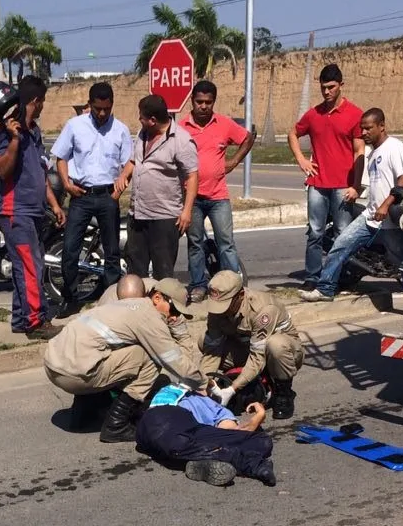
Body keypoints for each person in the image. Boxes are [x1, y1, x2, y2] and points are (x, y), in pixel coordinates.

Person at [299, 108, 403, 321]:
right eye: (362, 128)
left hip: (389, 219)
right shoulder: (373, 152)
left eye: (369, 128)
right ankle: (325, 289)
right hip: (370, 216)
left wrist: (386, 205)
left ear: (382, 126)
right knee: (340, 245)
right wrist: (357, 192)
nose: (364, 132)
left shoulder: (394, 148)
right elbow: (378, 183)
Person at [43, 280, 205, 443]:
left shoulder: (122, 305)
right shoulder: (148, 316)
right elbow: (174, 360)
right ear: (157, 297)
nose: (175, 317)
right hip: (76, 374)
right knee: (148, 356)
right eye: (175, 310)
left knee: (113, 353)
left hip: (54, 366)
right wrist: (204, 384)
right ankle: (116, 425)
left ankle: (85, 409)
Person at [0, 76, 66, 340]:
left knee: (25, 267)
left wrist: (55, 205)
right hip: (16, 212)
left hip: (34, 212)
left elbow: (40, 174)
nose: (44, 106)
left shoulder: (34, 132)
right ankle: (35, 323)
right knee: (30, 268)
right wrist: (13, 140)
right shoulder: (6, 132)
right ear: (36, 100)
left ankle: (21, 318)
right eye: (43, 101)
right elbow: (2, 170)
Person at [52, 81, 132, 317]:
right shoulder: (74, 126)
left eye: (106, 108)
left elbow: (129, 162)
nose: (102, 113)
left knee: (111, 251)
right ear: (90, 104)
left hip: (108, 196)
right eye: (97, 108)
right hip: (81, 195)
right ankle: (70, 297)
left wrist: (119, 189)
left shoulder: (120, 129)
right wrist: (67, 183)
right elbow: (61, 157)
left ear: (112, 104)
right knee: (70, 249)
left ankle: (109, 299)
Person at [288, 64, 365, 289]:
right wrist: (301, 159)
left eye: (331, 87)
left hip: (343, 185)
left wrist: (356, 185)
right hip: (318, 184)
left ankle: (337, 276)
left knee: (343, 234)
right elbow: (293, 133)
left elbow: (359, 151)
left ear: (341, 85)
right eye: (323, 88)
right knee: (315, 232)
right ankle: (313, 277)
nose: (327, 92)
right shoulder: (314, 114)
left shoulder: (354, 114)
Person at [178, 80, 254, 303]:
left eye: (208, 102)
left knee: (226, 242)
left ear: (214, 102)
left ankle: (232, 284)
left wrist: (233, 161)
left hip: (218, 196)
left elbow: (248, 138)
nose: (203, 106)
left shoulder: (224, 123)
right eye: (199, 102)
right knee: (195, 243)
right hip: (192, 198)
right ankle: (199, 285)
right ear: (192, 101)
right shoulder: (181, 128)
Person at [200, 270, 305, 420]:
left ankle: (284, 393)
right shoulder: (217, 309)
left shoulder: (263, 309)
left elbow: (258, 356)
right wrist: (203, 384)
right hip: (246, 349)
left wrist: (232, 389)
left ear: (240, 295)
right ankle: (240, 378)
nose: (220, 310)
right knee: (202, 340)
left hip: (280, 354)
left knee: (276, 345)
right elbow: (212, 350)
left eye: (225, 304)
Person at [118, 94, 199, 279]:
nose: (139, 120)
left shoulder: (181, 140)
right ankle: (138, 306)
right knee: (135, 272)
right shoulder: (143, 134)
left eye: (141, 117)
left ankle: (164, 306)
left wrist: (187, 211)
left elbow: (193, 176)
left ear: (153, 120)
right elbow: (134, 160)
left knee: (163, 273)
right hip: (138, 214)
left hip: (164, 217)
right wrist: (124, 175)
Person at [137, 387, 275, 486]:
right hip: (164, 418)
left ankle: (201, 463)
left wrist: (258, 418)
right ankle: (251, 464)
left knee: (262, 441)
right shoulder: (179, 389)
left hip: (195, 432)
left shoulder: (217, 408)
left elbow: (234, 434)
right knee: (178, 443)